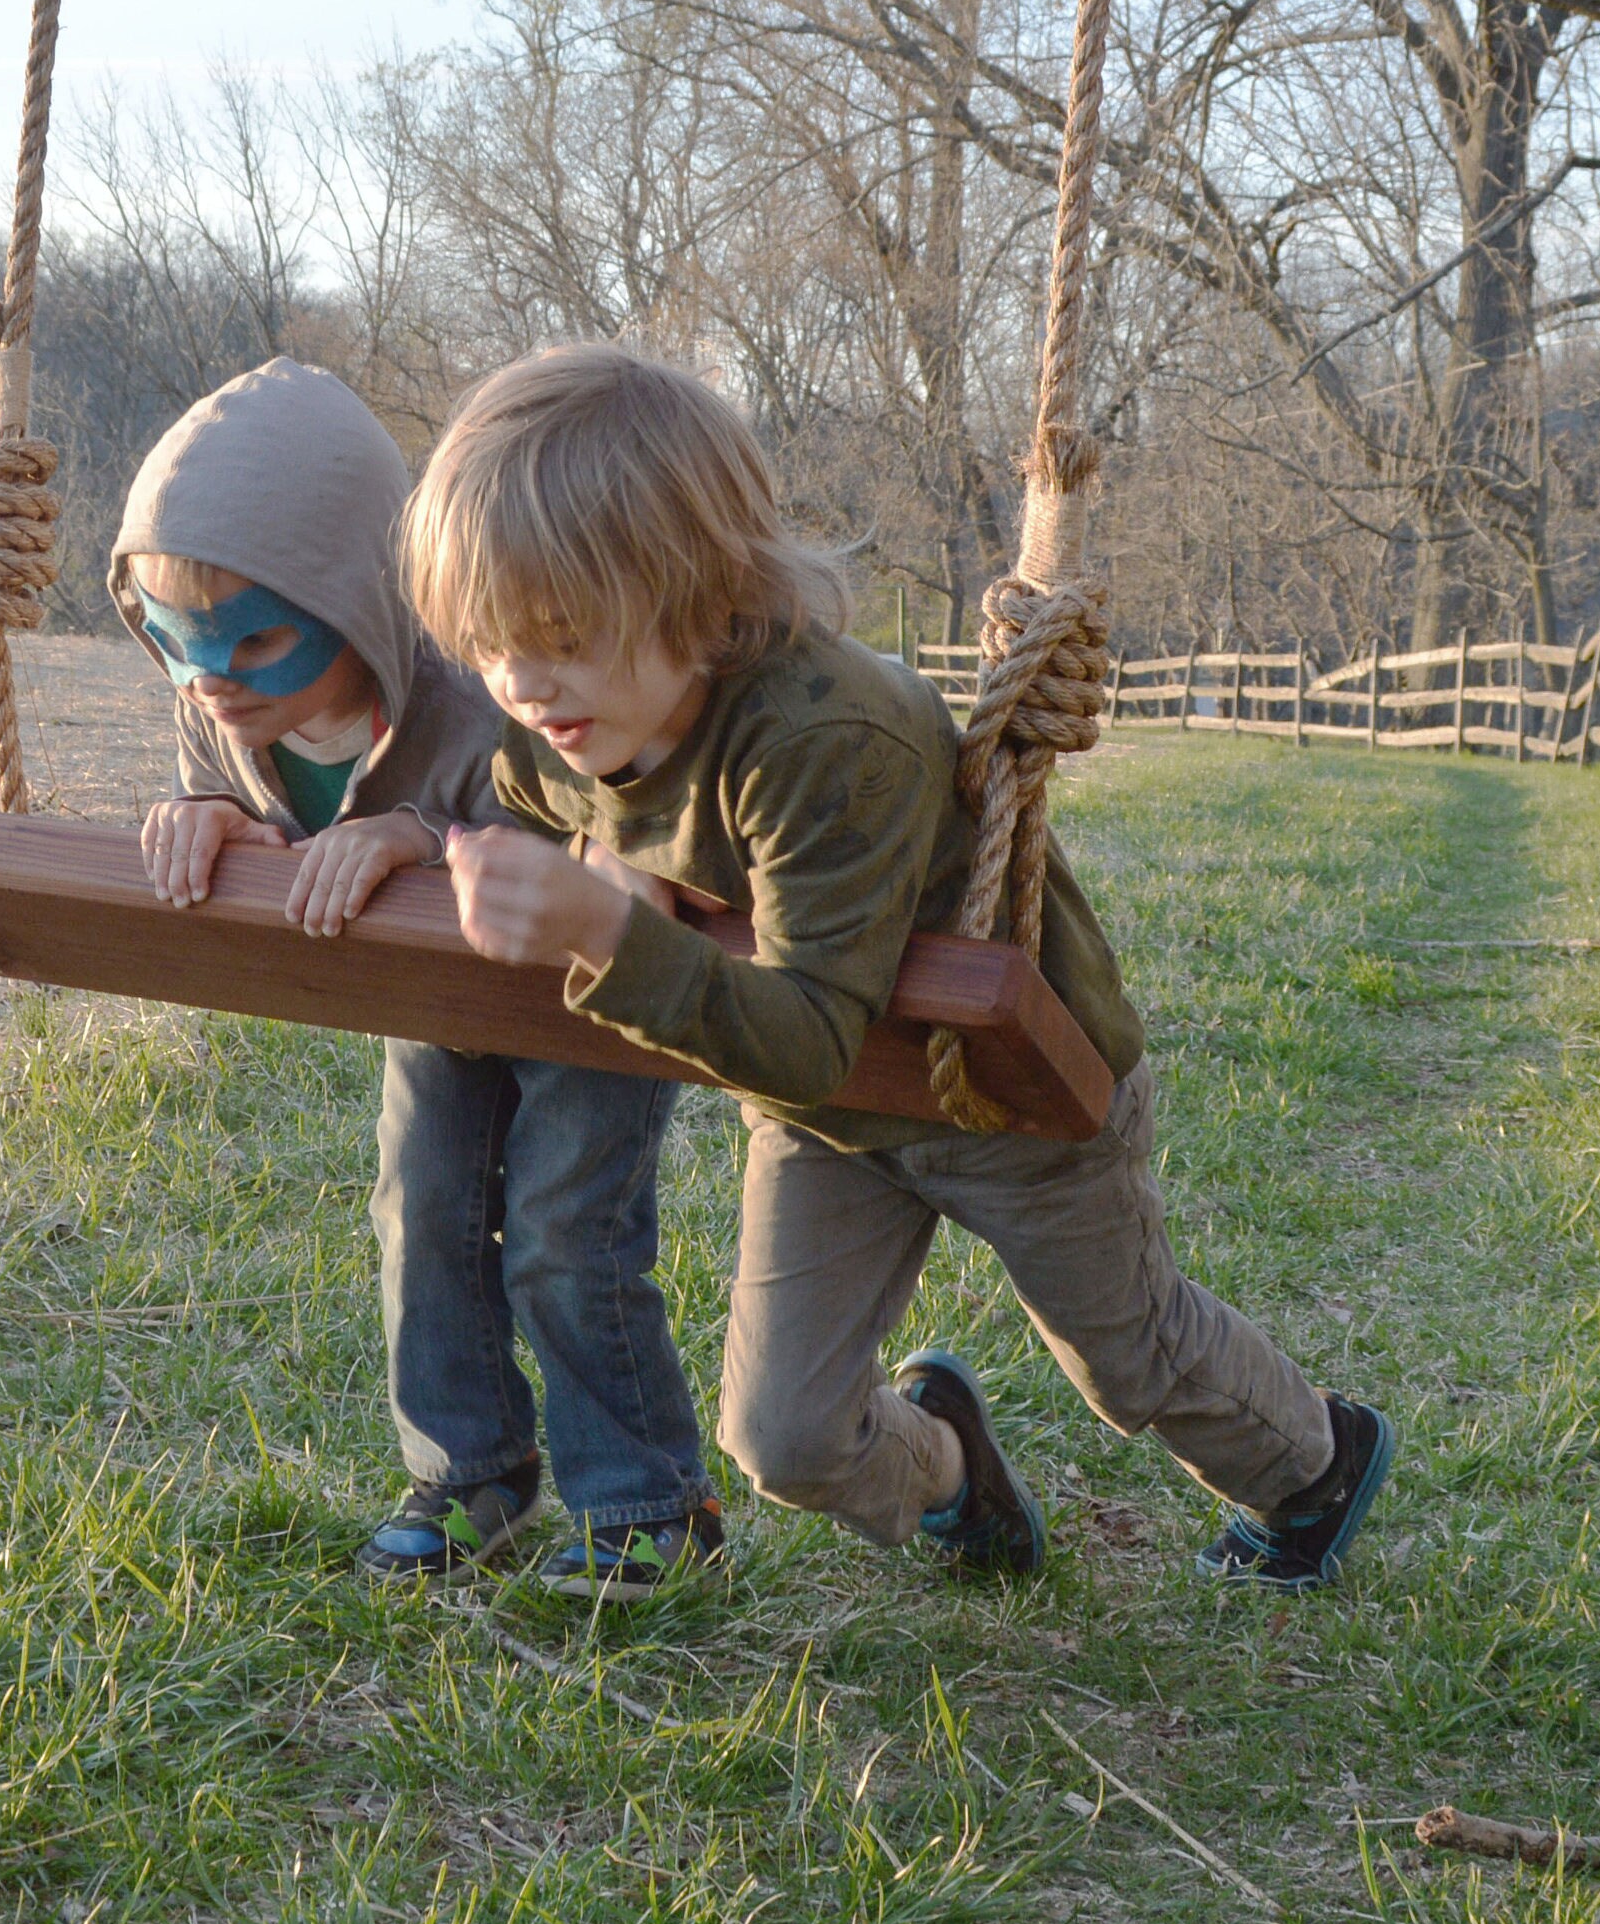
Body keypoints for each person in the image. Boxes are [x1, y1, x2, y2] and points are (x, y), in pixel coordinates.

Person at [400, 342, 1393, 1590]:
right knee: (783, 1437)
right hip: (829, 1121)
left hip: (1006, 1090)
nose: (522, 684)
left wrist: (608, 930)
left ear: (703, 596)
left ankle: (1316, 1465)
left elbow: (814, 1026)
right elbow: (537, 808)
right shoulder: (556, 729)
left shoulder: (826, 739)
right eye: (490, 642)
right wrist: (579, 858)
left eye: (558, 634)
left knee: (1128, 1357)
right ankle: (951, 1474)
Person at [111, 356, 722, 1593]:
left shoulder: (482, 690)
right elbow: (242, 792)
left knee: (562, 1231)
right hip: (432, 996)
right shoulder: (217, 702)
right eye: (176, 646)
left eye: (257, 639)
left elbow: (598, 828)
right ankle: (470, 1471)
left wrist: (423, 836)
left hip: (578, 992)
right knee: (422, 1209)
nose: (213, 678)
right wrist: (208, 814)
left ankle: (646, 1500)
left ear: (364, 603)